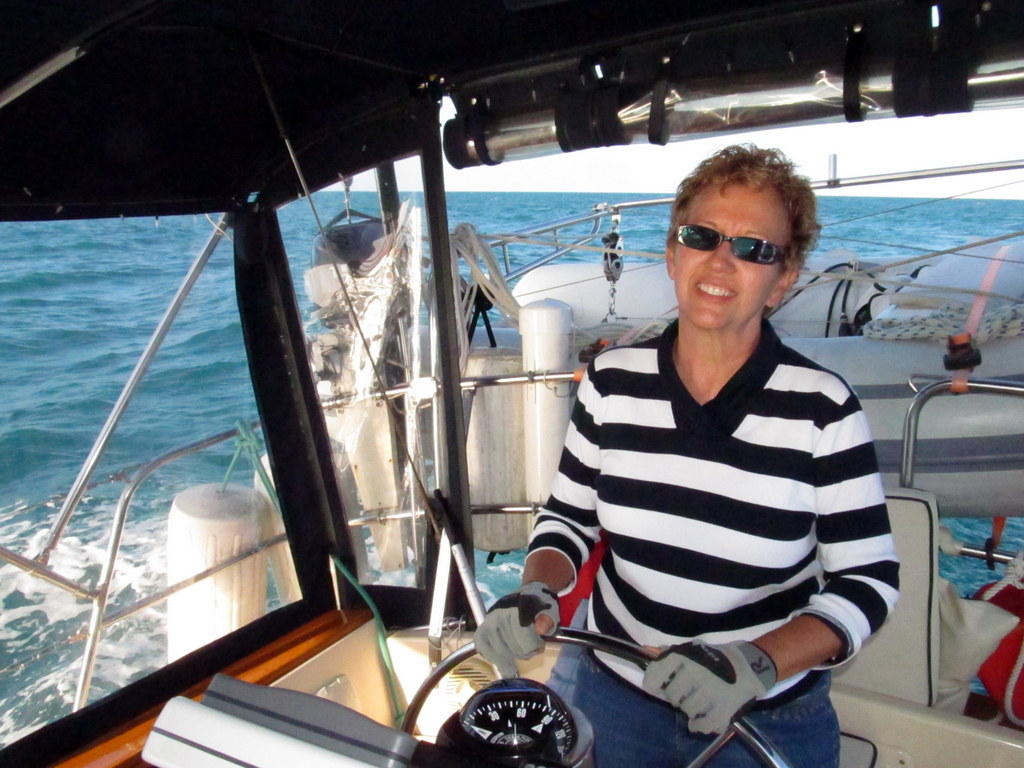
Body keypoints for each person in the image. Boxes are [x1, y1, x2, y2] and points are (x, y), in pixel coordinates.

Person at [475, 144, 900, 767]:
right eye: (702, 236)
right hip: (615, 692)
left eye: (754, 248)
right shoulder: (611, 382)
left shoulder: (823, 408)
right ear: (674, 254)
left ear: (784, 280)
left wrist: (755, 664)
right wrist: (535, 591)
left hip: (763, 715)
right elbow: (568, 521)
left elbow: (868, 582)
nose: (721, 260)